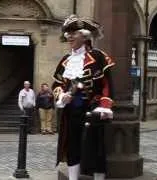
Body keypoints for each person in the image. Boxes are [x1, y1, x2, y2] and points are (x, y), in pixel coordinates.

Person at [53, 15, 115, 180]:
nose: (69, 36)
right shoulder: (65, 61)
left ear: (85, 35)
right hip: (71, 112)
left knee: (95, 148)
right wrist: (62, 95)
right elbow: (56, 85)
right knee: (72, 146)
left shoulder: (99, 57)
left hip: (92, 110)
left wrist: (105, 106)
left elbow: (107, 85)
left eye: (74, 32)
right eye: (68, 33)